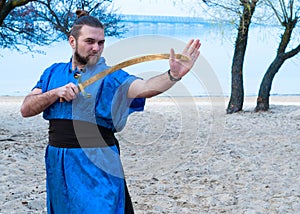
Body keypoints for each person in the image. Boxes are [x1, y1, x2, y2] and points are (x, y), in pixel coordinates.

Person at [20, 9, 200, 214]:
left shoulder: (111, 76)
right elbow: (26, 108)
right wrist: (54, 93)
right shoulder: (52, 72)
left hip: (97, 161)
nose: (96, 48)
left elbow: (144, 88)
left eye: (101, 42)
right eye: (90, 41)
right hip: (58, 161)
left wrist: (172, 75)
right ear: (72, 41)